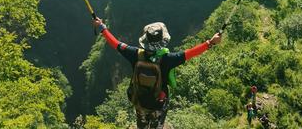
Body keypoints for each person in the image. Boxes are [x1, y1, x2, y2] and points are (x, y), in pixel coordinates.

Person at [93, 17, 222, 129]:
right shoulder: (168, 59)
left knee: (142, 124)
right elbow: (190, 53)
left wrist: (102, 27)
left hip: (139, 100)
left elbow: (116, 44)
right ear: (163, 41)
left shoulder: (134, 54)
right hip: (158, 102)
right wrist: (210, 43)